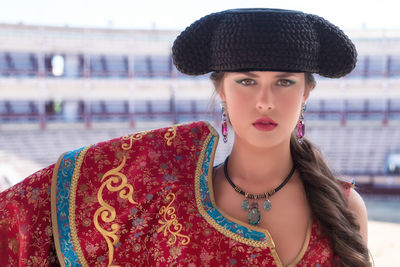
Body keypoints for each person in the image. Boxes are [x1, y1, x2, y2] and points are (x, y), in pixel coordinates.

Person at [0, 8, 371, 266]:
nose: (264, 101)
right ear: (221, 90)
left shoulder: (344, 207)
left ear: (306, 92)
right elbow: (23, 216)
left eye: (284, 82)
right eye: (246, 81)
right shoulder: (165, 195)